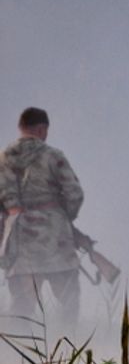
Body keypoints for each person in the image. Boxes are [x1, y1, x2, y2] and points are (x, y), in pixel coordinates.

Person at [0, 107, 84, 333]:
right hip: (55, 241)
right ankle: (67, 353)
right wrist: (63, 217)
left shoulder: (3, 158)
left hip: (19, 243)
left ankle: (15, 360)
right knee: (68, 302)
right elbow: (75, 193)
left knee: (21, 308)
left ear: (21, 128)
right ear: (42, 128)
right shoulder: (53, 156)